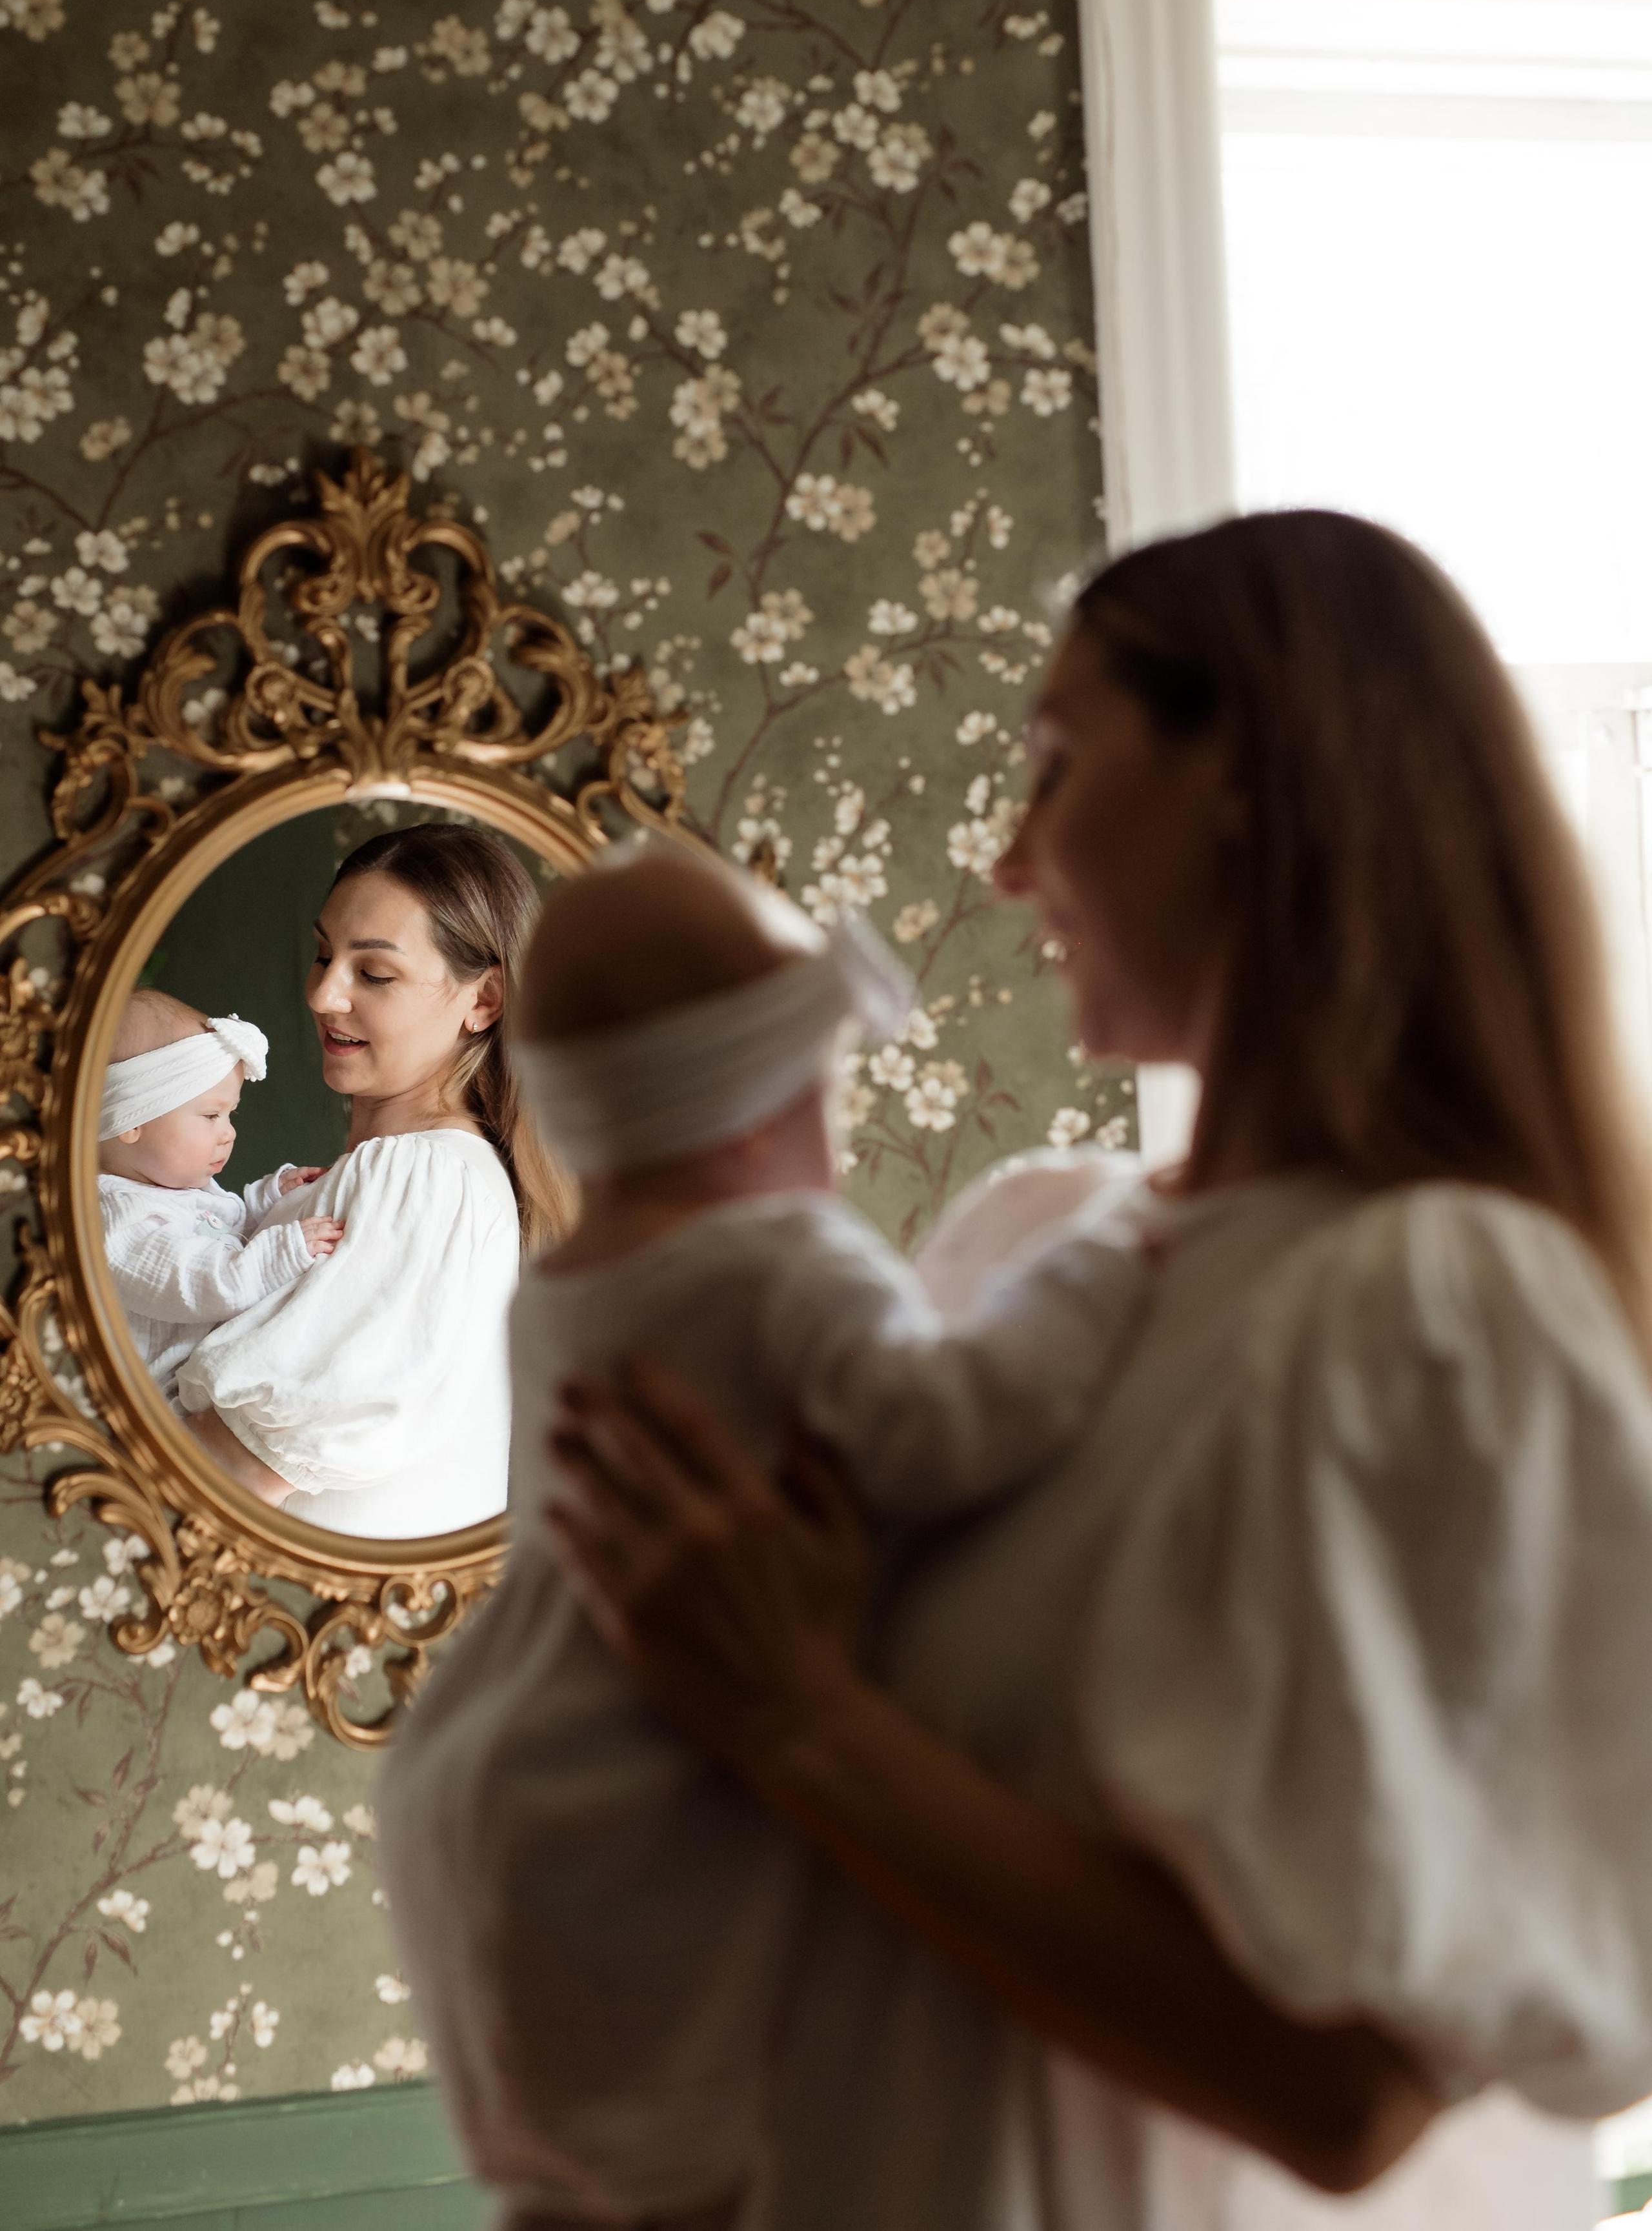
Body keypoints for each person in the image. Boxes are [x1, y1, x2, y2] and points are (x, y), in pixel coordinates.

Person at [543, 510, 1652, 2230]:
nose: (1003, 859)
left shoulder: (1431, 1301)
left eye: (1056, 762)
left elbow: (1349, 2086)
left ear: (1252, 769)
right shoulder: (1037, 1240)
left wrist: (796, 1712)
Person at [377, 840, 1157, 2228]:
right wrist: (1104, 1256)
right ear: (756, 1108)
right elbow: (947, 1422)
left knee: (586, 2158)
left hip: (493, 1755)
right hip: (638, 1752)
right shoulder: (778, 1260)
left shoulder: (563, 1284)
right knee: (713, 2121)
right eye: (825, 1083)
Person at [176, 824, 567, 1540]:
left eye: (375, 974)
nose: (324, 995)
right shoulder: (422, 1177)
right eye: (324, 955)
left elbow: (225, 1485)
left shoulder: (424, 1180)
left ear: (483, 1001)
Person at [97, 991, 341, 1402]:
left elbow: (218, 1229)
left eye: (231, 1115)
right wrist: (281, 1252)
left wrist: (269, 1201)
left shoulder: (172, 1185)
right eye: (211, 1116)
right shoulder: (118, 1219)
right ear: (132, 1120)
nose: (228, 1133)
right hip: (161, 1406)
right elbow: (204, 1282)